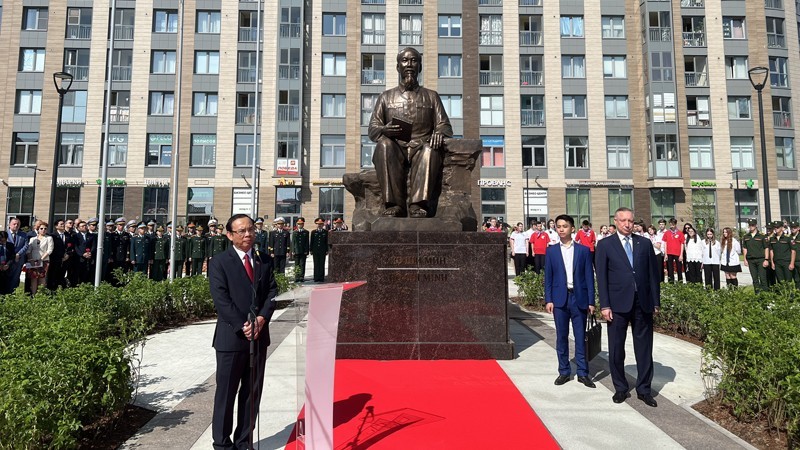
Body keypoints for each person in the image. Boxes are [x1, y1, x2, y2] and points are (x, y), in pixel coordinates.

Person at [209, 214, 278, 450]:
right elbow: (221, 299)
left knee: (251, 394)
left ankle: (244, 442)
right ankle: (222, 444)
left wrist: (261, 318)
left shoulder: (264, 260)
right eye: (241, 231)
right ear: (230, 235)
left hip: (259, 337)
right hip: (232, 338)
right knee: (226, 395)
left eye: (250, 230)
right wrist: (243, 325)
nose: (248, 234)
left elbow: (272, 292)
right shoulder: (220, 262)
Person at [368, 47, 453, 218]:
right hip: (396, 148)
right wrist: (384, 130)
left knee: (431, 150)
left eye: (414, 61)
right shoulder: (385, 97)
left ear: (419, 67)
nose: (409, 64)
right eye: (405, 61)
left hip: (421, 147)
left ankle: (417, 204)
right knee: (384, 145)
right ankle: (394, 205)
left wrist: (439, 132)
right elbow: (373, 129)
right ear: (398, 66)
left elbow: (445, 125)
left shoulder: (431, 96)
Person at [596, 207, 661, 407]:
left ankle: (644, 389)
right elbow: (602, 277)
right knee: (616, 349)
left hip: (643, 303)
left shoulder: (644, 243)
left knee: (644, 348)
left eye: (630, 221)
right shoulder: (605, 245)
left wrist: (655, 301)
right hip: (616, 305)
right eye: (623, 220)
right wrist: (605, 304)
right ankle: (621, 388)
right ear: (615, 221)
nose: (627, 224)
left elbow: (653, 275)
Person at [545, 214, 596, 388]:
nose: (561, 229)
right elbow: (549, 278)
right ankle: (564, 371)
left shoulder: (582, 251)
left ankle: (583, 373)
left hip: (579, 298)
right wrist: (549, 299)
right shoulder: (551, 251)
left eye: (565, 226)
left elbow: (589, 277)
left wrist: (591, 301)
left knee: (580, 337)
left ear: (572, 228)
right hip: (560, 299)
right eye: (558, 226)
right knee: (561, 337)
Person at [26, 220, 53, 296]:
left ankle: (41, 295)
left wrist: (41, 259)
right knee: (33, 278)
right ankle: (33, 295)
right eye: (41, 228)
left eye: (45, 228)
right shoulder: (32, 239)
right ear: (38, 229)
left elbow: (50, 250)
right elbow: (28, 250)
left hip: (44, 260)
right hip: (33, 261)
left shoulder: (49, 238)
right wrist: (31, 259)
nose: (43, 230)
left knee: (42, 278)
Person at [742, 219, 769, 292]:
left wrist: (766, 259)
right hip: (751, 260)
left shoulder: (762, 236)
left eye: (752, 225)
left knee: (763, 278)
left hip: (761, 259)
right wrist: (745, 259)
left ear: (756, 225)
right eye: (750, 225)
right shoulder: (746, 236)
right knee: (755, 279)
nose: (751, 226)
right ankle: (757, 295)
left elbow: (766, 248)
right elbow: (745, 248)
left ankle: (765, 295)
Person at [47, 219, 70, 291]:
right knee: (53, 275)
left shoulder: (68, 235)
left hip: (65, 259)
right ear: (56, 226)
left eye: (63, 224)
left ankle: (61, 289)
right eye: (61, 224)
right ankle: (52, 290)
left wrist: (68, 254)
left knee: (62, 275)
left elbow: (71, 246)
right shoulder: (52, 236)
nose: (63, 225)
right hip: (55, 259)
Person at [7, 217, 28, 292]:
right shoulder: (4, 234)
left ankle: (12, 294)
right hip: (7, 260)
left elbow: (26, 246)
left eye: (18, 224)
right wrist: (13, 255)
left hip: (18, 260)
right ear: (9, 225)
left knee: (15, 278)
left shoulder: (23, 235)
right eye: (14, 224)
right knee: (5, 278)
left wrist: (18, 254)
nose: (16, 225)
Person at [74, 219, 97, 284]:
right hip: (80, 258)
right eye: (82, 226)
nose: (84, 227)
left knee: (88, 273)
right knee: (79, 273)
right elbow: (76, 247)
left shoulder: (91, 235)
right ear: (78, 228)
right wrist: (82, 254)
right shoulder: (76, 236)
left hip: (89, 257)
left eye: (85, 225)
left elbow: (93, 245)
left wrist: (90, 253)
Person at [662, 218, 685, 283]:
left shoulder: (680, 233)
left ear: (675, 224)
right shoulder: (667, 233)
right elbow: (665, 243)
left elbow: (682, 244)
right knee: (670, 268)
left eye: (673, 224)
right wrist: (665, 254)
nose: (672, 226)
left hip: (677, 253)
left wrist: (681, 255)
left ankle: (680, 282)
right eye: (670, 224)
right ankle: (671, 282)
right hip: (669, 253)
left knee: (679, 268)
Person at [291, 217, 310, 282]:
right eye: (299, 224)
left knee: (302, 264)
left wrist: (306, 251)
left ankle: (301, 277)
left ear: (303, 224)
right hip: (296, 250)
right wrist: (293, 250)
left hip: (303, 250)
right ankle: (297, 277)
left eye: (301, 224)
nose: (300, 225)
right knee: (297, 264)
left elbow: (307, 242)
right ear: (297, 225)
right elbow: (293, 242)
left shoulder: (306, 232)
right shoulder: (294, 232)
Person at [310, 218, 329, 283]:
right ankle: (316, 277)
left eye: (321, 224)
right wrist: (311, 250)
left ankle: (321, 277)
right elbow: (311, 242)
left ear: (323, 224)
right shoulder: (313, 232)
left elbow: (326, 242)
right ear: (316, 224)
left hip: (322, 250)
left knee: (322, 263)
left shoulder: (325, 232)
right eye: (318, 224)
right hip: (315, 250)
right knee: (316, 264)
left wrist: (327, 250)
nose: (319, 225)